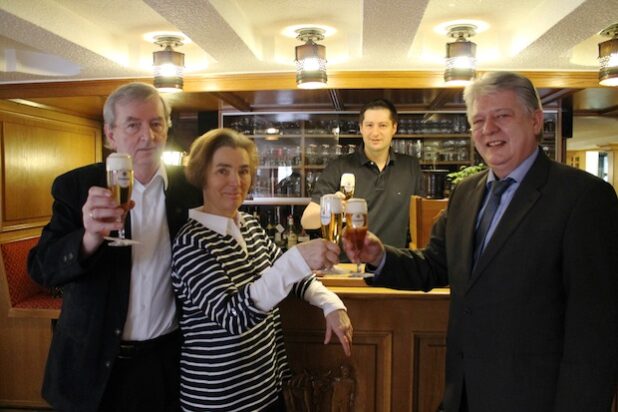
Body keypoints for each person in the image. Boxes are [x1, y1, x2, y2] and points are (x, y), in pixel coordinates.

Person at [343, 72, 618, 412]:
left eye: (502, 116)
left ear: (535, 121)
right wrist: (380, 255)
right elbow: (434, 266)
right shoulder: (466, 193)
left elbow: (595, 331)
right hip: (464, 393)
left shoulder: (584, 198)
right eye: (478, 120)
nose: (488, 129)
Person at [27, 82, 202, 412]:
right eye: (133, 124)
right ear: (111, 134)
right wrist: (89, 237)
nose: (147, 136)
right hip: (91, 367)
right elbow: (42, 269)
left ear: (167, 127)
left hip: (165, 364)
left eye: (156, 123)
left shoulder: (192, 189)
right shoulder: (76, 186)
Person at [171, 128, 353, 411]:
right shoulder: (190, 242)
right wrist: (297, 259)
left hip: (266, 390)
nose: (236, 181)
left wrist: (330, 303)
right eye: (223, 171)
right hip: (219, 400)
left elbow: (292, 278)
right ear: (201, 175)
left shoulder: (250, 226)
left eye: (243, 171)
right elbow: (233, 316)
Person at [300, 98, 421, 248]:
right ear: (361, 128)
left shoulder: (410, 166)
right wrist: (333, 208)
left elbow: (419, 222)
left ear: (394, 128)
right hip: (348, 265)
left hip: (392, 263)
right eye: (369, 125)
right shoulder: (339, 166)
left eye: (383, 125)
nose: (375, 132)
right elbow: (307, 221)